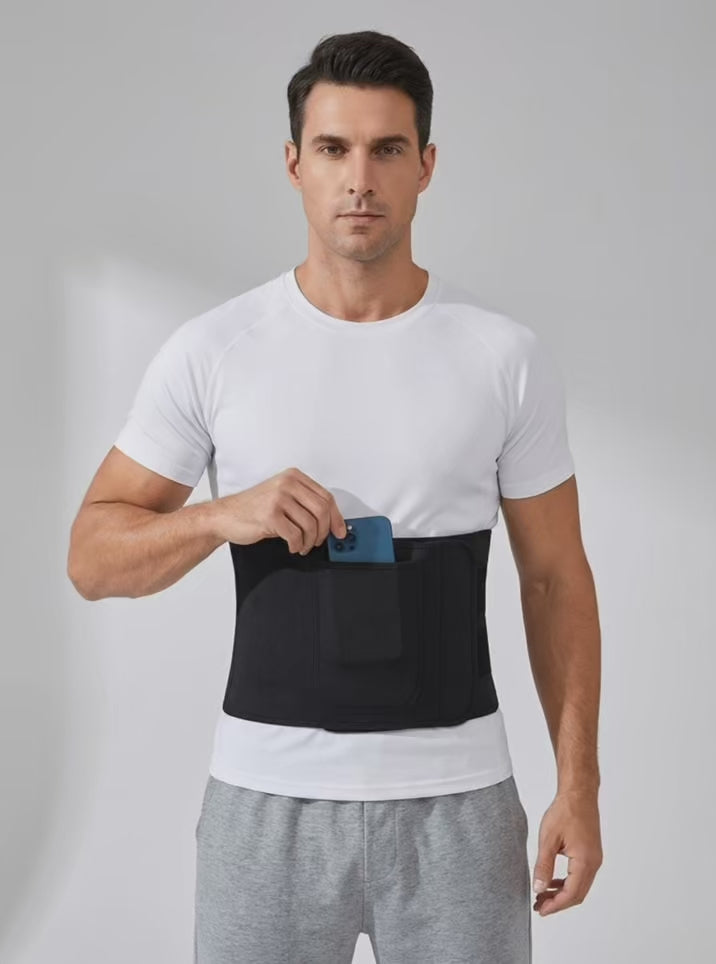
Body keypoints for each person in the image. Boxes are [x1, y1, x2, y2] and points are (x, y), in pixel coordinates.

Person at [67, 29, 603, 964]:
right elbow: (91, 558)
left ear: (426, 165)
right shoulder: (216, 351)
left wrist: (580, 787)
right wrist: (222, 515)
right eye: (333, 148)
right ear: (294, 164)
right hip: (265, 809)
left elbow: (556, 579)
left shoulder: (501, 356)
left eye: (387, 149)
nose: (360, 179)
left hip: (458, 810)